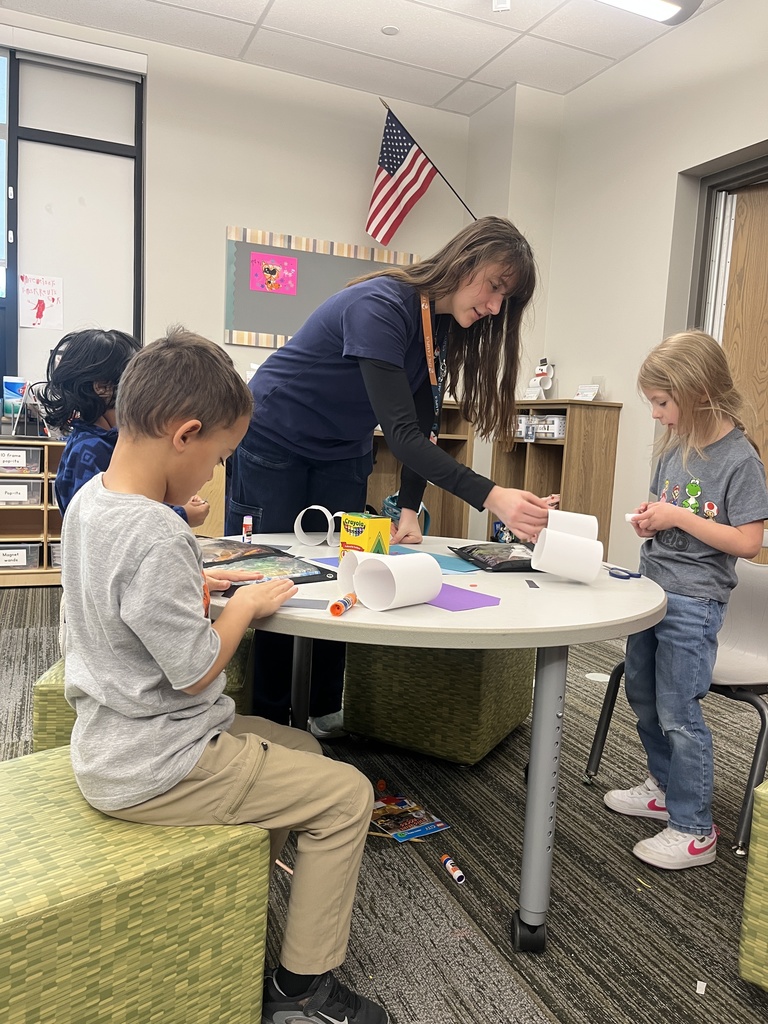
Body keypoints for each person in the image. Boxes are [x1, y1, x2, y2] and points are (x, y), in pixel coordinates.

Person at [61, 328, 388, 1024]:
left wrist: (193, 581)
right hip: (158, 761)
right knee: (348, 796)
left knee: (301, 748)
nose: (215, 473)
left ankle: (232, 905)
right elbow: (195, 673)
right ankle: (306, 994)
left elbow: (123, 597)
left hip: (112, 742)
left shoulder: (94, 498)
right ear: (185, 434)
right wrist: (238, 607)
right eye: (219, 456)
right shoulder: (157, 533)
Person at [225, 216, 552, 732]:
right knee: (277, 575)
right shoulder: (380, 305)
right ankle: (271, 721)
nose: (493, 306)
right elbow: (400, 434)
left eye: (504, 300)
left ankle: (323, 710)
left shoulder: (437, 324)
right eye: (494, 286)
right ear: (464, 259)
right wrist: (492, 497)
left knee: (346, 573)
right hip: (274, 437)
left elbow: (422, 421)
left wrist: (407, 506)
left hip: (342, 449)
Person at [604, 330, 768, 870]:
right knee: (643, 695)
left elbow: (748, 542)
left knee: (679, 710)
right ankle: (663, 787)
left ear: (697, 392)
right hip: (652, 590)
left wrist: (677, 517)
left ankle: (696, 828)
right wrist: (654, 516)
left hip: (694, 603)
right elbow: (664, 507)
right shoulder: (677, 446)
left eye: (661, 402)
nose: (655, 414)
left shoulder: (739, 459)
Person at [39, 328, 209, 526]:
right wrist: (181, 514)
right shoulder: (88, 450)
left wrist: (174, 504)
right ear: (102, 387)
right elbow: (109, 523)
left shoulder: (111, 440)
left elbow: (136, 498)